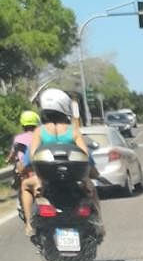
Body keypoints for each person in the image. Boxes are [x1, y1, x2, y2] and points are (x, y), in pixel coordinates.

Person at [22, 89, 103, 237]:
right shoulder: (73, 131)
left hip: (46, 181)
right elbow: (85, 156)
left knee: (25, 186)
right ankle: (99, 223)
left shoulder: (39, 131)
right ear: (65, 106)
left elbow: (32, 157)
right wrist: (90, 176)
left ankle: (28, 224)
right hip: (74, 179)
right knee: (91, 190)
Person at [6, 110, 40, 236]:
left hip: (27, 173)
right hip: (42, 171)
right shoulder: (40, 136)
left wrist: (9, 159)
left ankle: (28, 223)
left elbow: (12, 155)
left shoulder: (18, 139)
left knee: (23, 188)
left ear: (23, 124)